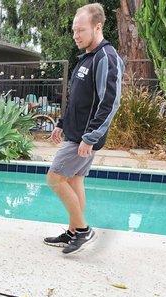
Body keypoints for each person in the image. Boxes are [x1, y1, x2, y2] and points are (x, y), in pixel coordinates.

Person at [44, 3, 124, 254]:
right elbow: (77, 99)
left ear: (97, 27)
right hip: (75, 134)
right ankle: (72, 231)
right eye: (73, 30)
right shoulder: (86, 58)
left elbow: (110, 102)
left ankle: (82, 230)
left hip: (84, 137)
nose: (75, 35)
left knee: (55, 178)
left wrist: (90, 137)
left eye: (80, 30)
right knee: (75, 179)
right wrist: (61, 123)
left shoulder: (106, 58)